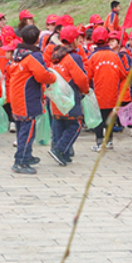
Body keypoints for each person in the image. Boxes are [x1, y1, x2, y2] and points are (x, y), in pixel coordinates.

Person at [9, 25, 56, 174]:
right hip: (26, 97)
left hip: (16, 96)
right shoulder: (33, 56)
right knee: (27, 129)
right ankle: (21, 161)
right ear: (38, 39)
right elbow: (41, 75)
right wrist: (52, 77)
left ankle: (26, 155)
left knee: (21, 128)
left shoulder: (18, 53)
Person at [47, 26, 89, 166]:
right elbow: (81, 78)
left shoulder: (55, 55)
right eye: (79, 38)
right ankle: (59, 150)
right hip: (70, 98)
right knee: (75, 125)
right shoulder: (74, 57)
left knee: (59, 122)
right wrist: (86, 90)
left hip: (56, 98)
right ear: (74, 40)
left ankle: (61, 153)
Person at [85, 26, 127, 151]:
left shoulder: (92, 57)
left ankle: (99, 142)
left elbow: (87, 76)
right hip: (112, 94)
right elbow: (123, 74)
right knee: (109, 118)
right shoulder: (115, 56)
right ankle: (109, 141)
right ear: (107, 39)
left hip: (97, 94)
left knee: (98, 119)